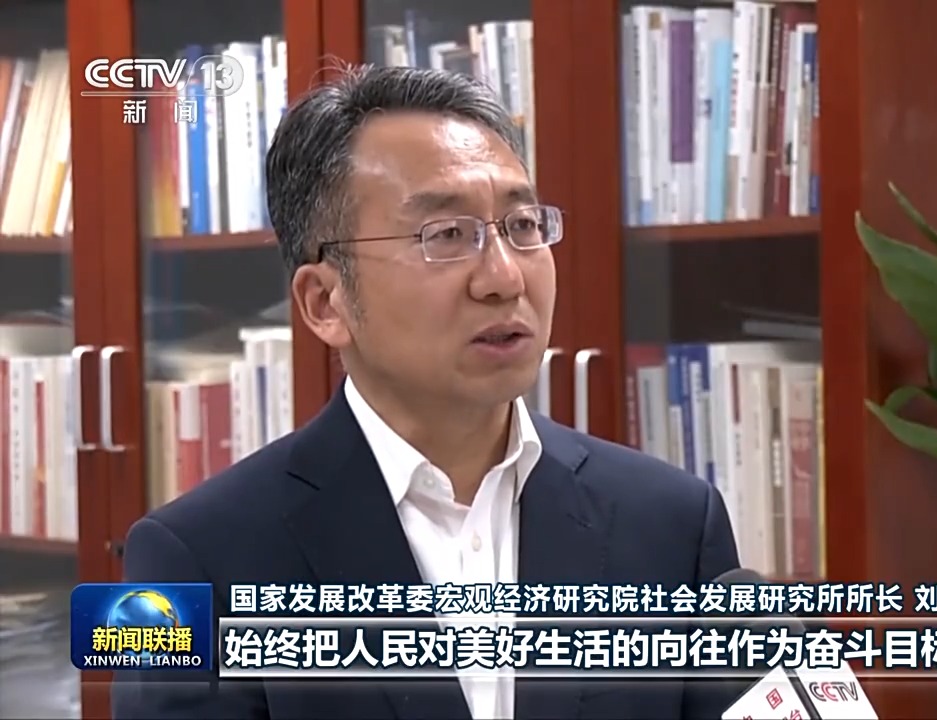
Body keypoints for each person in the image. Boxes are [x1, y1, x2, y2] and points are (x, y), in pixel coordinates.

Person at [111, 64, 742, 720]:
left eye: (523, 225)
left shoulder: (672, 525)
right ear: (325, 302)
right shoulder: (190, 561)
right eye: (446, 236)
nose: (504, 278)